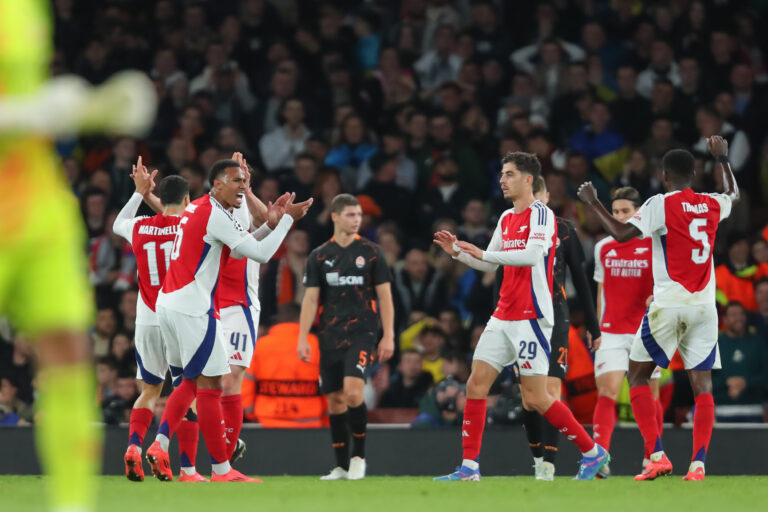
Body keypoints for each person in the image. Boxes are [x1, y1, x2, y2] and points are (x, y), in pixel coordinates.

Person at [0, 2, 154, 510]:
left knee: (67, 348)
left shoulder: (24, 10)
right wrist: (26, 114)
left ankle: (72, 503)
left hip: (37, 208)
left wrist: (96, 108)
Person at [433, 152, 609, 482]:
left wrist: (483, 252)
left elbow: (531, 255)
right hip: (503, 315)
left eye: (510, 174)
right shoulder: (505, 218)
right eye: (501, 174)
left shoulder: (542, 215)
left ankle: (592, 452)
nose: (502, 180)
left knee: (536, 397)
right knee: (475, 384)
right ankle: (470, 467)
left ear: (528, 179)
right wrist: (458, 252)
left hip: (532, 317)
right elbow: (490, 264)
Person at [577, 135, 739, 481]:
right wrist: (723, 159)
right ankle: (698, 464)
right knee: (703, 385)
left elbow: (621, 234)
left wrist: (594, 203)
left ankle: (658, 455)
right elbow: (733, 194)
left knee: (636, 376)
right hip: (704, 307)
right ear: (694, 174)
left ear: (665, 176)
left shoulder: (660, 203)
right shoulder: (711, 203)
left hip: (667, 304)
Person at [144, 159, 311, 483]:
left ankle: (163, 445)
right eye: (236, 181)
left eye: (245, 181)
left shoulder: (198, 209)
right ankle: (218, 468)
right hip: (192, 307)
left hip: (169, 303)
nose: (242, 187)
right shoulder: (215, 214)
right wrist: (287, 223)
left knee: (192, 382)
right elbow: (260, 255)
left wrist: (270, 224)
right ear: (217, 184)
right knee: (209, 385)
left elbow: (237, 251)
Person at [111, 159, 201, 482]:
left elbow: (117, 223)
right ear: (188, 199)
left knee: (149, 390)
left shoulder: (139, 227)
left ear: (158, 196)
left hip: (146, 319)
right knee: (186, 389)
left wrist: (139, 193)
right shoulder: (191, 226)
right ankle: (185, 467)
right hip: (178, 317)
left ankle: (134, 446)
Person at [298, 194, 395, 480]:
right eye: (351, 215)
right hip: (330, 335)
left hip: (363, 332)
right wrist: (303, 337)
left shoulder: (372, 252)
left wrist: (388, 335)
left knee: (354, 392)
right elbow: (311, 299)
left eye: (359, 215)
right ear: (335, 217)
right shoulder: (319, 256)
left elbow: (385, 296)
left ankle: (358, 458)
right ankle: (340, 466)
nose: (357, 220)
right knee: (335, 401)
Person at [521, 175, 602, 481]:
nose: (534, 206)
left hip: (555, 316)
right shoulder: (513, 227)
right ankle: (539, 457)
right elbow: (502, 278)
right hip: (521, 319)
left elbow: (580, 280)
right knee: (529, 399)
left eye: (537, 199)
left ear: (547, 197)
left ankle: (549, 466)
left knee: (551, 391)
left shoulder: (564, 229)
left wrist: (593, 326)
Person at [591, 187, 661, 476]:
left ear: (637, 213)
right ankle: (599, 458)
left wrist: (656, 297)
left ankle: (652, 459)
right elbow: (600, 292)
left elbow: (665, 284)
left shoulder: (653, 244)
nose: (619, 216)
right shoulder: (603, 247)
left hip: (646, 331)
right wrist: (596, 329)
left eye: (625, 212)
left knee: (650, 396)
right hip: (610, 331)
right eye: (615, 212)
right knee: (607, 392)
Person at [242, 303, 325, 427]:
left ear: (278, 320)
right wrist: (326, 419)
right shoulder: (315, 344)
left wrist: (251, 415)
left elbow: (247, 384)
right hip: (310, 424)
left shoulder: (261, 345)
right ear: (303, 319)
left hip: (267, 422)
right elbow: (329, 384)